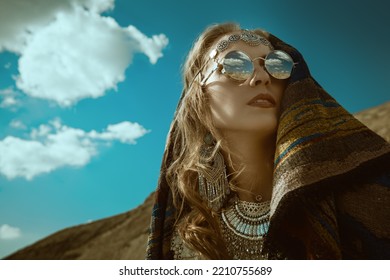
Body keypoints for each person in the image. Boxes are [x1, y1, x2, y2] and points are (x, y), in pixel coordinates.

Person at [146, 22, 390, 259]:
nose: (262, 77)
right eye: (236, 64)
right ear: (200, 100)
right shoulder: (187, 238)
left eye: (277, 65)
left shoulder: (368, 202)